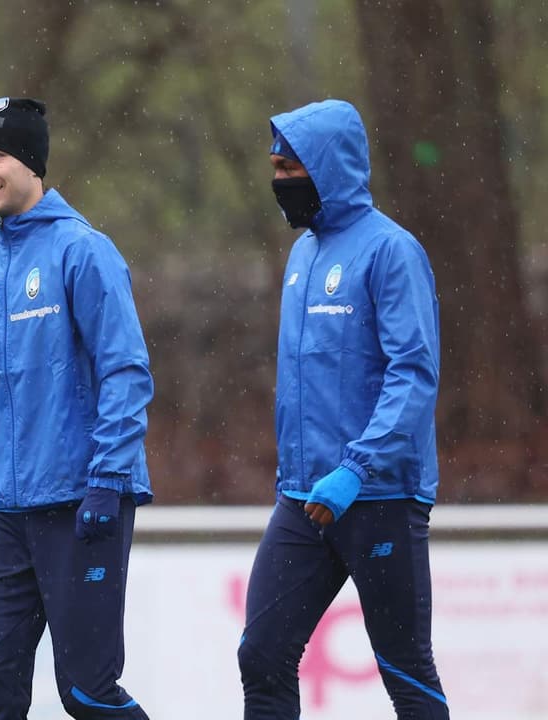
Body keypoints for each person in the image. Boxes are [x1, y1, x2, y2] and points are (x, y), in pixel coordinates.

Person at [0, 97, 154, 720]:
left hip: (80, 505)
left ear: (32, 163)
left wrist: (108, 482)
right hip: (2, 515)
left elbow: (126, 372)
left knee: (86, 693)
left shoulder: (84, 251)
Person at [236, 98, 448, 718]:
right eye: (274, 167)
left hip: (377, 495)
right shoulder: (302, 256)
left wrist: (357, 468)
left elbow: (414, 372)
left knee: (405, 670)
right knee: (262, 654)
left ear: (327, 167)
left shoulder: (391, 251)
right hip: (304, 496)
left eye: (290, 167)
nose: (279, 181)